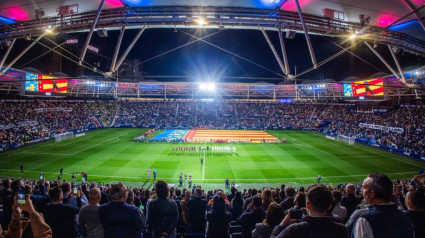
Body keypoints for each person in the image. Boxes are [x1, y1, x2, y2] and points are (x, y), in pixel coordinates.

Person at [270, 185, 348, 238]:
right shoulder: (341, 230)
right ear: (330, 205)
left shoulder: (296, 229)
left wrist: (281, 225)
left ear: (307, 205)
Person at [352, 173, 414, 238]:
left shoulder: (365, 220)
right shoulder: (405, 218)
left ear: (372, 194)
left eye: (364, 188)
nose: (362, 191)